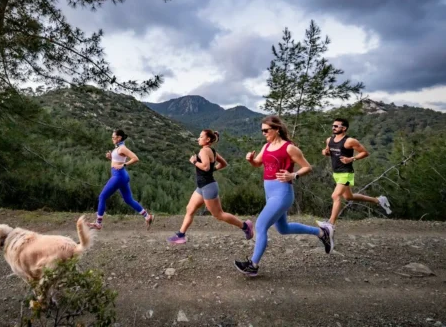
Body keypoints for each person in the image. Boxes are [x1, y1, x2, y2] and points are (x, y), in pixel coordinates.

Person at [234, 116, 333, 277]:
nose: (263, 133)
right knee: (283, 228)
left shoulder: (289, 148)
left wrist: (293, 175)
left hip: (282, 193)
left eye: (266, 130)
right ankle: (322, 233)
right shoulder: (266, 146)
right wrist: (251, 160)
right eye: (262, 131)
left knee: (260, 225)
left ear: (277, 129)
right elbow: (258, 163)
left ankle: (253, 265)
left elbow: (307, 167)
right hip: (270, 192)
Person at [167, 129, 254, 244]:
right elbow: (224, 163)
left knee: (219, 215)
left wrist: (194, 162)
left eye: (200, 136)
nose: (198, 138)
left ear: (207, 139)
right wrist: (213, 169)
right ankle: (181, 235)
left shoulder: (204, 151)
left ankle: (245, 226)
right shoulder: (212, 151)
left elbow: (206, 167)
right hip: (201, 187)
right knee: (190, 209)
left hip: (208, 187)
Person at [318, 118, 391, 245]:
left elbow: (365, 152)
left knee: (335, 196)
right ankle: (378, 200)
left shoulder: (350, 141)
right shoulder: (329, 140)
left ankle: (330, 225)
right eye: (332, 126)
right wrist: (325, 152)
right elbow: (329, 151)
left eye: (336, 126)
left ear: (344, 128)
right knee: (349, 197)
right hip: (336, 172)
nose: (333, 128)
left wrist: (351, 159)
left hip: (346, 172)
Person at [87, 129, 154, 230]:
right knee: (128, 200)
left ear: (119, 138)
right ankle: (148, 217)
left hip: (118, 176)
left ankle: (98, 223)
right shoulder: (118, 147)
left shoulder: (122, 148)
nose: (112, 139)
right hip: (122, 176)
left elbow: (135, 158)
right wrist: (111, 157)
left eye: (113, 137)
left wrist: (124, 165)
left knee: (102, 197)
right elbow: (118, 159)